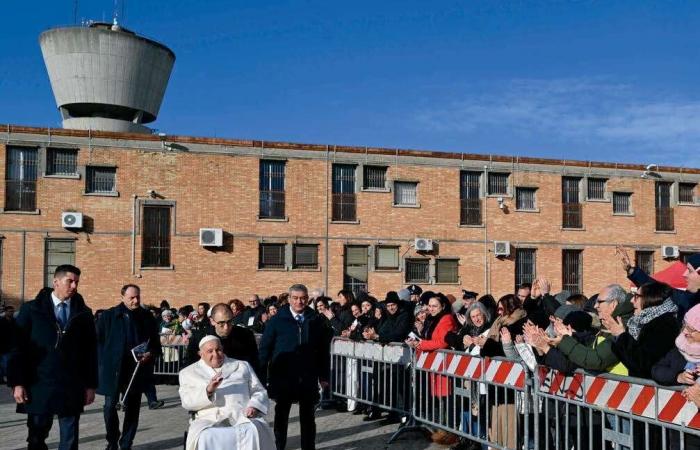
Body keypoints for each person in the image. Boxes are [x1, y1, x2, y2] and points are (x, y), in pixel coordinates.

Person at [8, 265, 97, 450]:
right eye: (69, 281)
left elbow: (90, 352)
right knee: (36, 437)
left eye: (76, 282)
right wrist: (17, 383)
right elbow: (17, 349)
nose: (74, 286)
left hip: (71, 384)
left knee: (70, 439)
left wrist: (90, 385)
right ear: (56, 282)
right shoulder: (32, 310)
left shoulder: (83, 313)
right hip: (39, 384)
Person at [259, 284, 332, 450]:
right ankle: (279, 446)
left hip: (307, 377)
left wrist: (323, 376)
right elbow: (265, 350)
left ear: (307, 299)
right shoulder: (277, 320)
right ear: (289, 299)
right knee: (281, 416)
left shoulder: (315, 319)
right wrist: (261, 378)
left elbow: (322, 350)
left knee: (308, 418)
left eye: (303, 298)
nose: (300, 302)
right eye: (296, 298)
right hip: (283, 377)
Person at [179, 336, 274, 450]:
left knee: (255, 431)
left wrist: (254, 406)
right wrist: (208, 390)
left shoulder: (242, 366)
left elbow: (258, 391)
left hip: (243, 416)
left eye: (218, 349)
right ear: (200, 354)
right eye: (210, 351)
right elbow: (187, 402)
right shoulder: (188, 373)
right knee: (206, 436)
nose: (216, 354)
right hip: (209, 420)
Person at [96, 284, 161, 450]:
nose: (136, 300)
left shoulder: (147, 317)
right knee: (110, 407)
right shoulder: (109, 316)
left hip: (136, 370)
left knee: (133, 409)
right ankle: (112, 440)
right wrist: (103, 362)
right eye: (132, 297)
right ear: (122, 297)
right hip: (114, 369)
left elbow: (155, 343)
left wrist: (150, 353)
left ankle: (126, 443)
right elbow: (98, 342)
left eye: (138, 297)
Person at [605, 280, 680, 378]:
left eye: (636, 296)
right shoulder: (640, 322)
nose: (632, 300)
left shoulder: (665, 324)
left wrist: (621, 336)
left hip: (656, 389)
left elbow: (643, 363)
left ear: (651, 298)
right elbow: (629, 360)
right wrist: (618, 336)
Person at [186, 303, 260, 376]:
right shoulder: (199, 337)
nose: (226, 327)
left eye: (229, 322)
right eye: (221, 323)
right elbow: (189, 363)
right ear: (212, 321)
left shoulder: (245, 335)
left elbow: (254, 362)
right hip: (208, 380)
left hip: (239, 380)